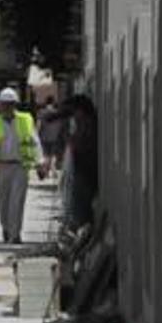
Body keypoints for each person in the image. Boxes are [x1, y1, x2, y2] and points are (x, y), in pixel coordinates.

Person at [0, 88, 43, 244]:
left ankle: (15, 235)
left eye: (10, 104)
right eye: (4, 104)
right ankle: (6, 228)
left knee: (17, 201)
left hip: (20, 166)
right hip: (1, 167)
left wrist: (40, 163)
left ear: (15, 105)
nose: (7, 107)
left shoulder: (26, 120)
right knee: (3, 203)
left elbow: (35, 142)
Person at [64, 94, 99, 229]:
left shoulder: (88, 123)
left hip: (86, 172)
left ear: (81, 110)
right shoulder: (83, 122)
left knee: (81, 206)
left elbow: (84, 145)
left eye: (74, 111)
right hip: (82, 171)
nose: (73, 116)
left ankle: (83, 229)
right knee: (78, 205)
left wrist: (72, 141)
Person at [37, 96, 68, 176]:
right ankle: (53, 170)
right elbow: (62, 125)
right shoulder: (57, 112)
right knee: (53, 155)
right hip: (55, 136)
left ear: (46, 103)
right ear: (53, 103)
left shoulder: (41, 112)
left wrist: (37, 133)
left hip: (44, 136)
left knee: (46, 154)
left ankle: (46, 172)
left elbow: (39, 124)